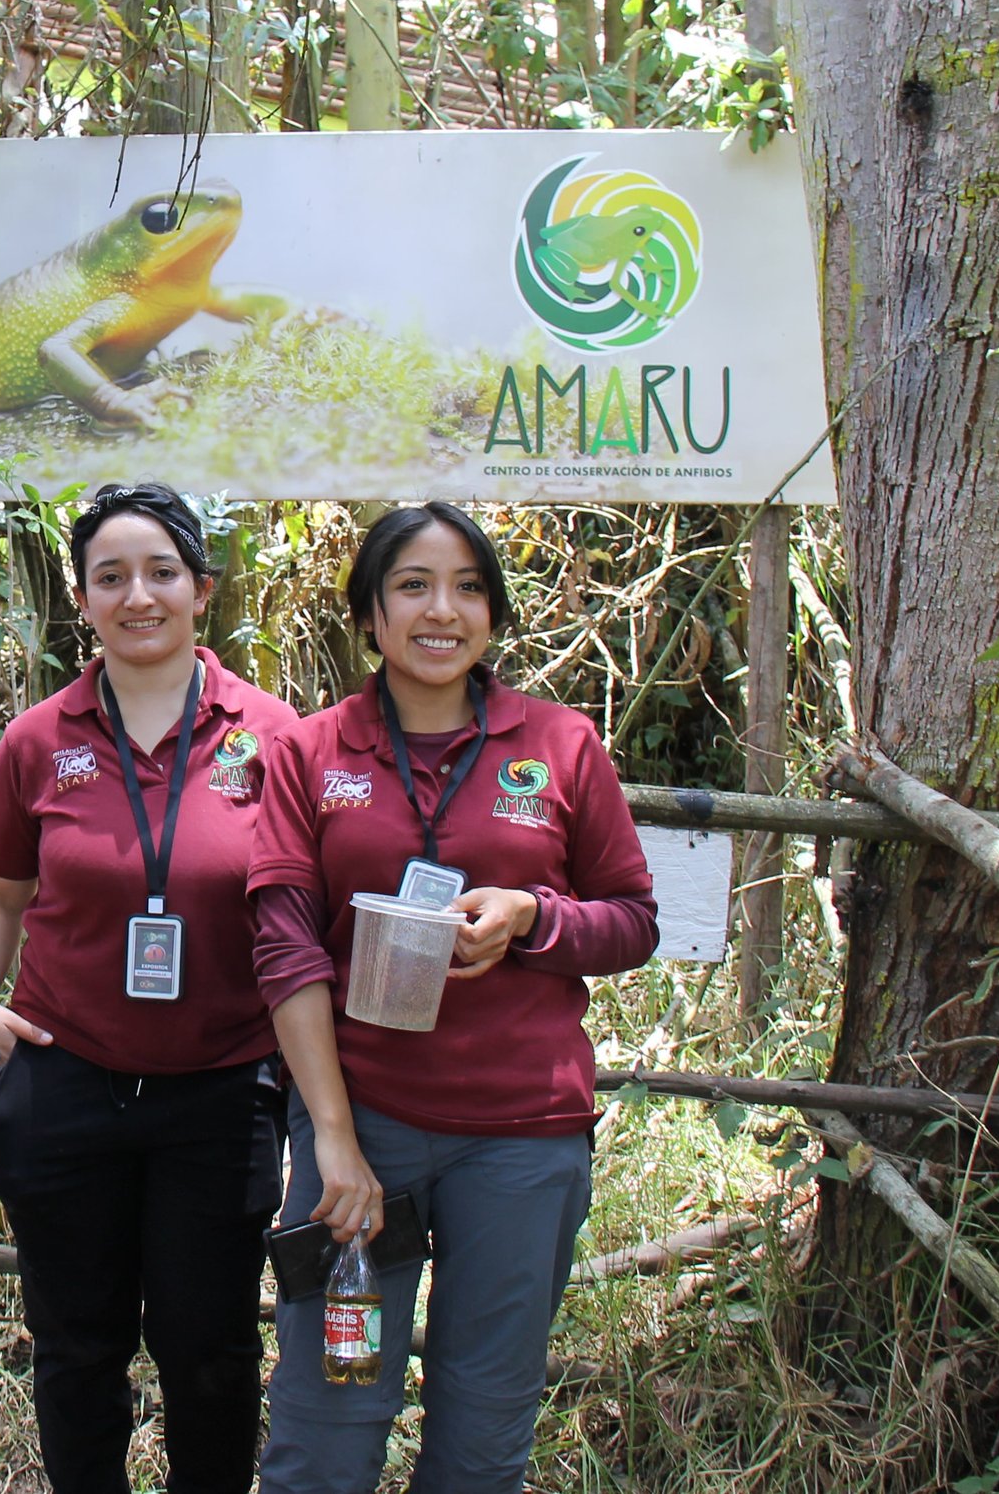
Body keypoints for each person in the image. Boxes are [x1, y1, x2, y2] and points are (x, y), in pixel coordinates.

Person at [248, 502, 657, 1494]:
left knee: (481, 1433)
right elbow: (284, 944)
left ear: (493, 613)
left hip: (522, 1141)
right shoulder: (312, 752)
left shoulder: (559, 744)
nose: (443, 610)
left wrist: (531, 915)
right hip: (364, 1138)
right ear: (370, 614)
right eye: (413, 585)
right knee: (325, 1417)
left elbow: (632, 919)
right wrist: (331, 1139)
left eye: (468, 586)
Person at [0, 482, 301, 1494]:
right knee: (75, 1347)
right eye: (111, 575)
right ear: (83, 598)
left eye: (160, 572)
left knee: (210, 1352)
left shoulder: (273, 736)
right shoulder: (37, 739)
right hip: (64, 1082)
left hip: (221, 1090)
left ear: (201, 587)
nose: (137, 594)